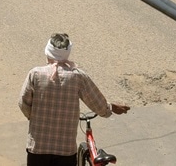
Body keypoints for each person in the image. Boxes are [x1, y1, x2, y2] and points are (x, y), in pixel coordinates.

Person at [19, 33, 129, 165]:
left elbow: (23, 103)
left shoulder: (35, 74)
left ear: (48, 52)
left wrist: (35, 117)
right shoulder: (77, 76)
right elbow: (97, 102)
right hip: (65, 150)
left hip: (38, 147)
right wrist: (109, 109)